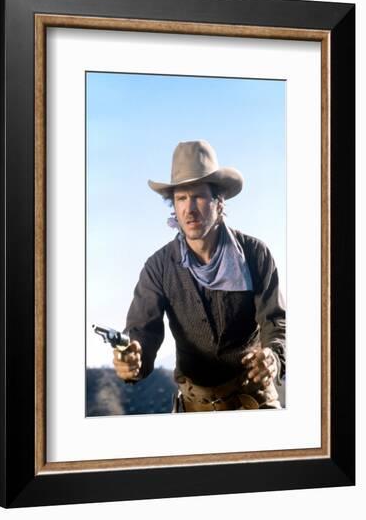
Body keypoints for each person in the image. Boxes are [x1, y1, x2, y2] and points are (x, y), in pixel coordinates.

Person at [113, 140, 285, 411]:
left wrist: (273, 358)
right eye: (181, 198)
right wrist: (132, 361)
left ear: (219, 202)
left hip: (255, 401)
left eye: (199, 196)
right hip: (194, 409)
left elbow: (277, 324)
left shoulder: (255, 254)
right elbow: (142, 334)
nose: (189, 209)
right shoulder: (158, 267)